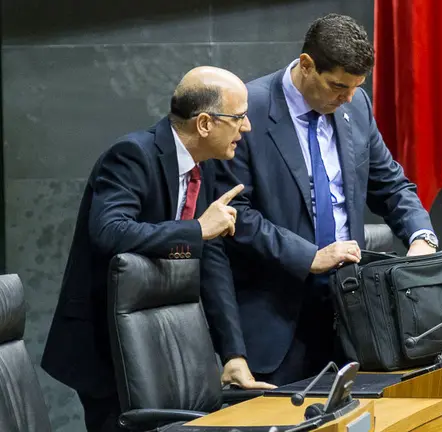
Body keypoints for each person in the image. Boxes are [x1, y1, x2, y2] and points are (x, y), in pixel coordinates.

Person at [41, 66, 274, 432]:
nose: (246, 128)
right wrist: (197, 229)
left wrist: (233, 354)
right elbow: (109, 231)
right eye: (238, 117)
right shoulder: (132, 154)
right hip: (105, 345)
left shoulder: (206, 166)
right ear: (204, 124)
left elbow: (209, 258)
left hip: (163, 343)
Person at [213, 13, 439, 387]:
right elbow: (235, 212)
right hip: (276, 319)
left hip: (351, 316)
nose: (347, 97)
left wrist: (421, 237)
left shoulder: (356, 106)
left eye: (355, 87)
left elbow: (392, 185)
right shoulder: (246, 108)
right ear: (306, 65)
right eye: (337, 86)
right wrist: (309, 256)